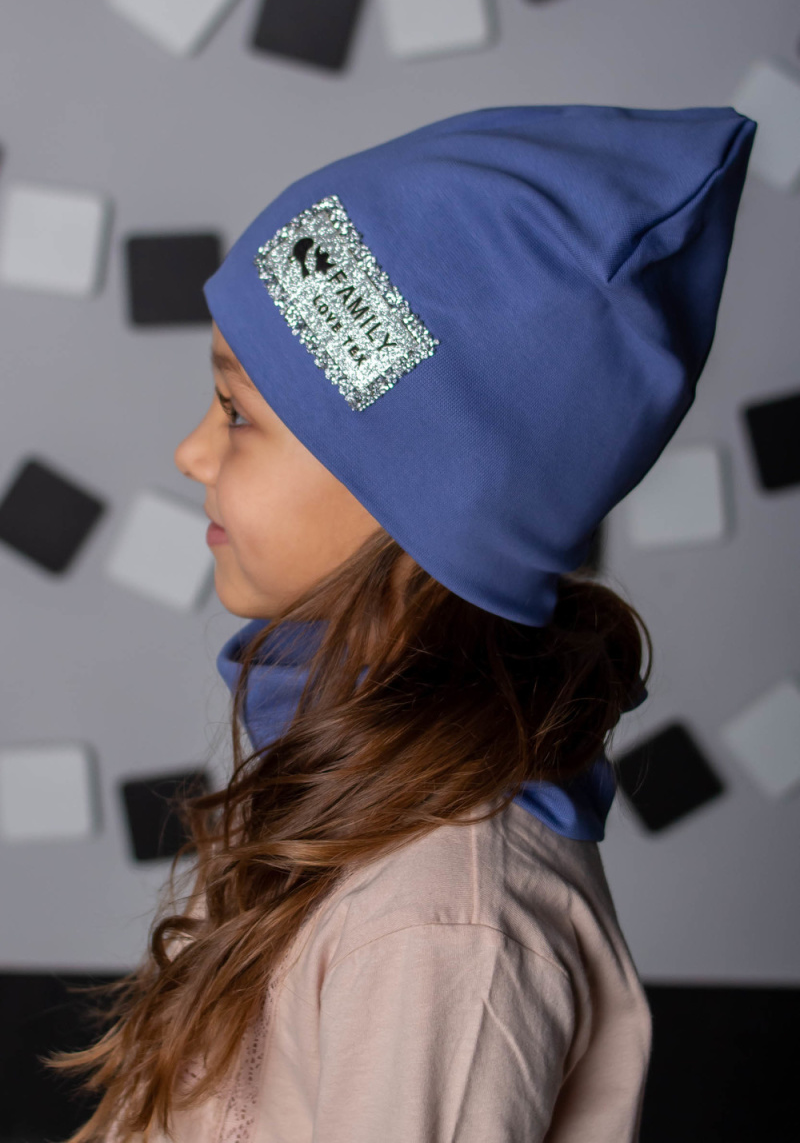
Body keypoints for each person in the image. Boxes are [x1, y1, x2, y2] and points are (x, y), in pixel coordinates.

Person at [52, 103, 756, 1142]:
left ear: (423, 498)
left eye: (238, 414)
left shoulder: (440, 928)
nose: (191, 452)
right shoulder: (339, 792)